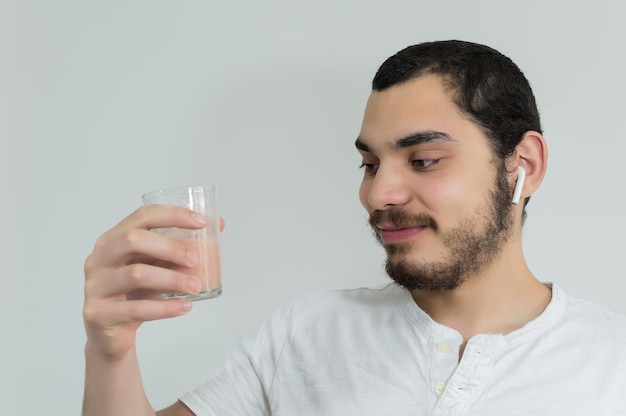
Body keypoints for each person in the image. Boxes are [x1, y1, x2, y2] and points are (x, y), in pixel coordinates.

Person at [82, 40, 626, 415]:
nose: (377, 195)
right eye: (369, 165)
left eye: (423, 160)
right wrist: (110, 350)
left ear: (523, 165)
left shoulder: (610, 365)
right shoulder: (307, 333)